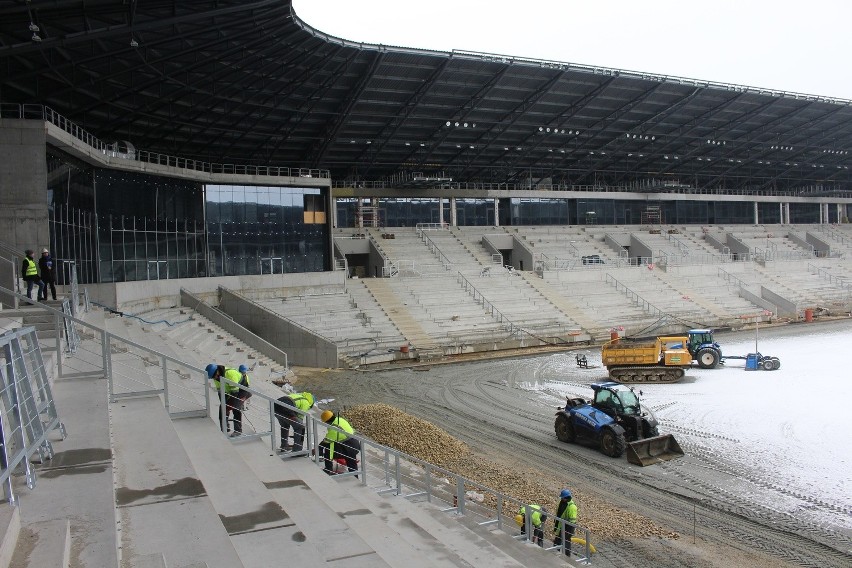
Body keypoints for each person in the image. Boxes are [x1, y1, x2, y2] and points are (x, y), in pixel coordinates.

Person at [206, 363, 247, 436]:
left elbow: (235, 393)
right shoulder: (216, 378)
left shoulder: (230, 374)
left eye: (214, 376)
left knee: (236, 408)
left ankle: (238, 431)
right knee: (222, 408)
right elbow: (221, 393)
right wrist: (223, 405)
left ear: (217, 371)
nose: (214, 378)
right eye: (213, 377)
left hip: (242, 390)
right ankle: (224, 428)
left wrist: (228, 407)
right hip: (230, 391)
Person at [318, 410, 360, 475]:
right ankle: (355, 476)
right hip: (354, 444)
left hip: (347, 447)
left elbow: (327, 441)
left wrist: (318, 448)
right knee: (351, 462)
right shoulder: (339, 420)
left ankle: (328, 469)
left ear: (327, 421)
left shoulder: (334, 427)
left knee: (328, 450)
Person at [553, 488, 578, 556]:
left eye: (562, 498)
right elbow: (559, 513)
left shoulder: (572, 507)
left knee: (566, 541)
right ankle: (555, 552)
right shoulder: (562, 503)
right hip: (561, 525)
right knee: (558, 540)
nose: (561, 499)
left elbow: (572, 521)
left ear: (566, 497)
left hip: (568, 527)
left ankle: (567, 555)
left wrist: (567, 530)